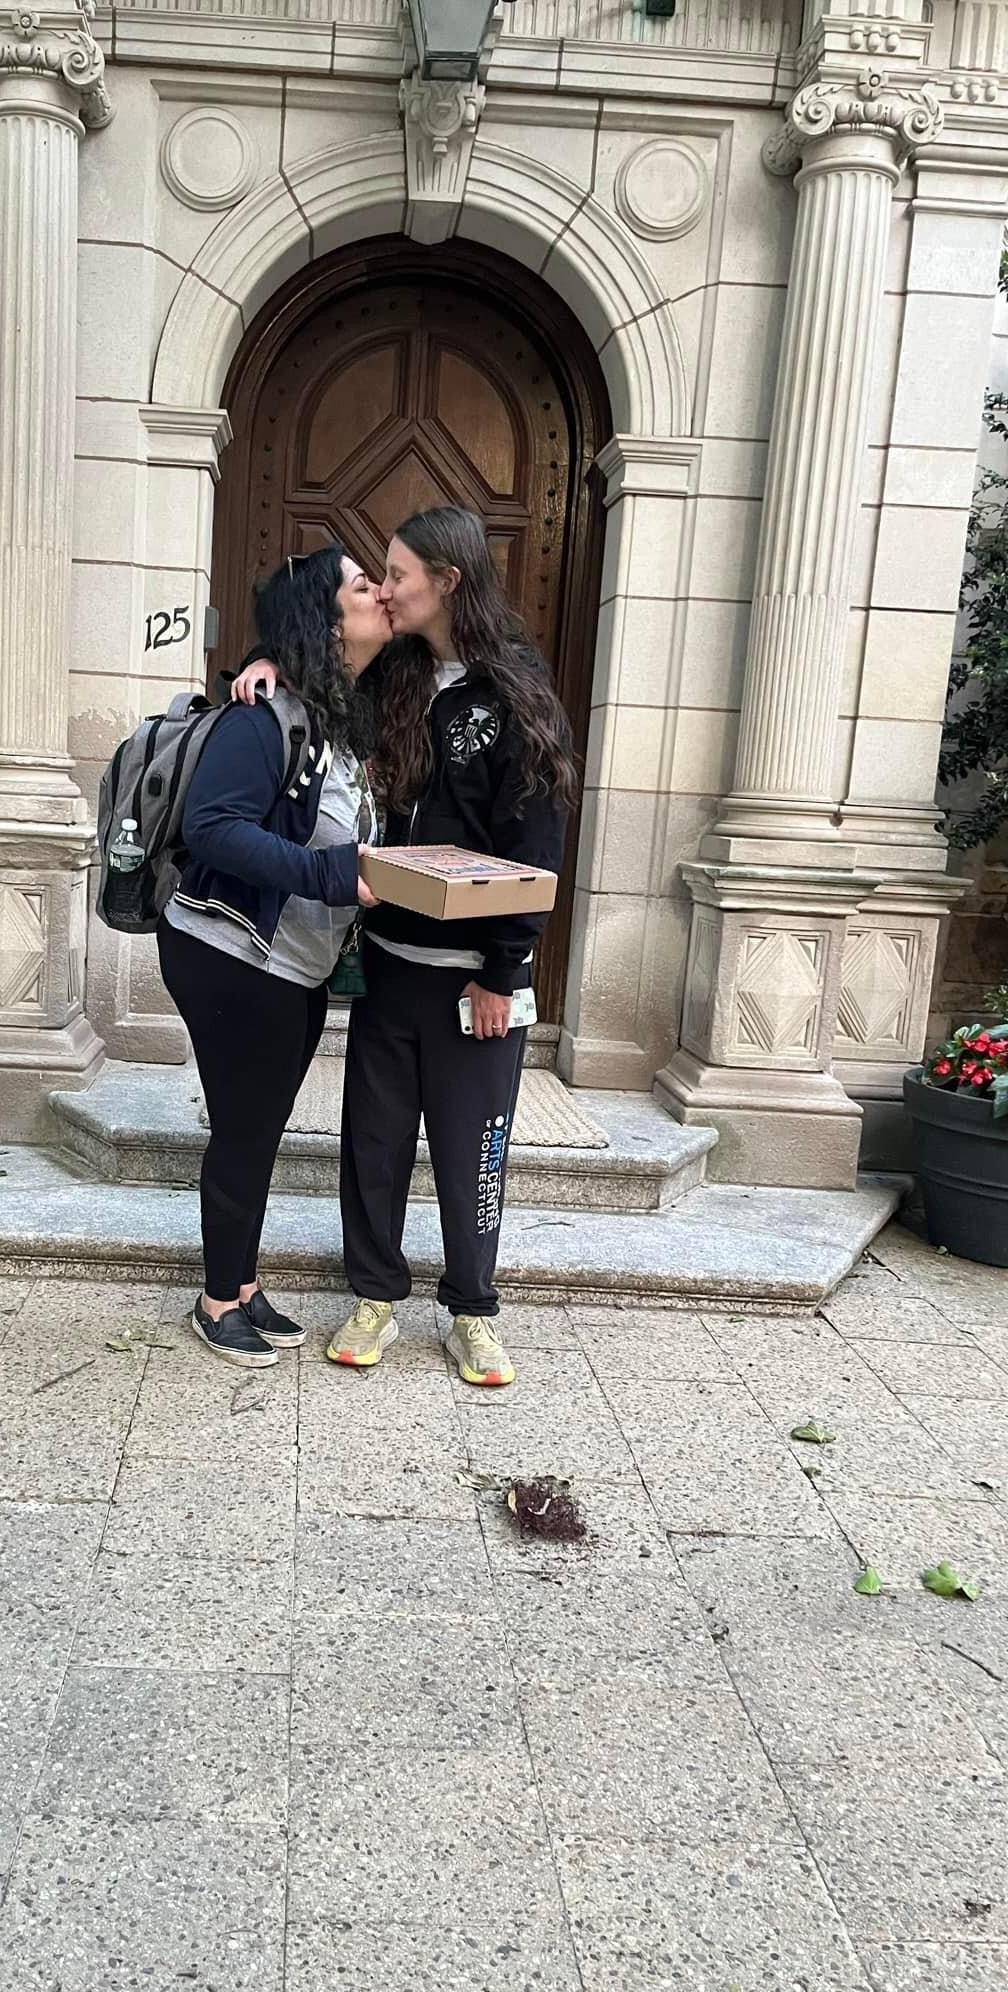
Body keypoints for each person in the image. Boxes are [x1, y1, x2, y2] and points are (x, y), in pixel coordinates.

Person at [324, 506, 578, 1387]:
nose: (386, 589)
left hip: (478, 987)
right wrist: (271, 662)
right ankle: (374, 1295)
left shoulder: (516, 689)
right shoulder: (392, 676)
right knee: (374, 1143)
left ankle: (473, 1311)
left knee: (475, 1152)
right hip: (390, 967)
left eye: (398, 573)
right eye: (382, 575)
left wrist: (505, 969)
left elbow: (536, 839)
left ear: (450, 580)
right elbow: (320, 702)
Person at [157, 545, 390, 1366]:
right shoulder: (262, 719)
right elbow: (214, 830)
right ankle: (219, 1297)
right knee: (245, 1128)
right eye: (364, 586)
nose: (382, 594)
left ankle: (244, 1283)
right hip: (228, 954)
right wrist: (333, 874)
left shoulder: (335, 711)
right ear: (324, 618)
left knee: (260, 1125)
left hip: (293, 963)